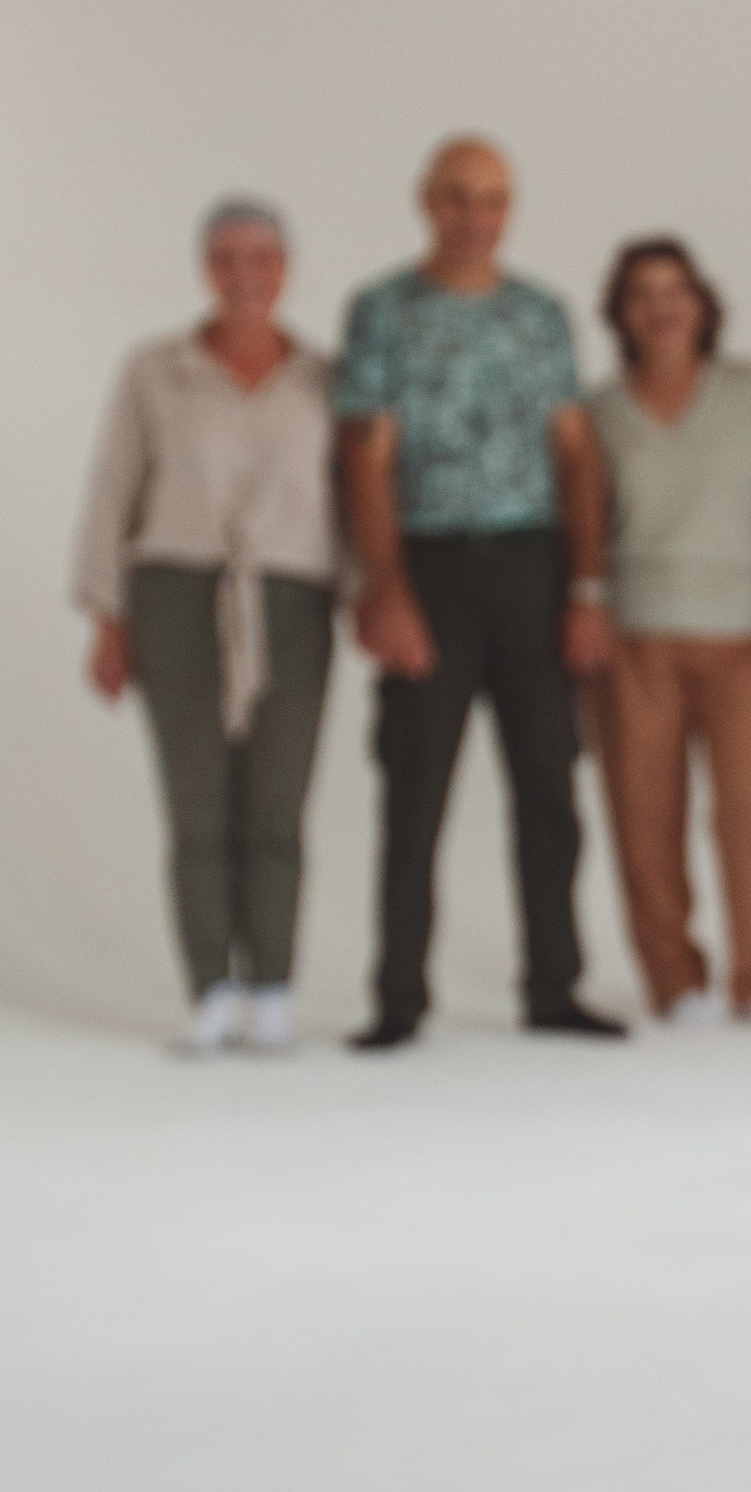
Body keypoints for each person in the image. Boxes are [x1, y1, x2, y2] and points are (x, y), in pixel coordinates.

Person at [335, 134, 623, 1049]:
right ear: (426, 200)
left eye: (492, 198)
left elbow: (575, 453)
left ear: (510, 209)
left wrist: (585, 586)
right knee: (414, 787)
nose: (474, 215)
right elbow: (365, 456)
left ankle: (553, 985)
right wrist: (385, 587)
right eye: (457, 196)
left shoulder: (540, 315)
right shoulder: (384, 310)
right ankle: (398, 997)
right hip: (429, 562)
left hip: (531, 565)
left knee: (548, 783)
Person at [72, 198, 339, 1054]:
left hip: (292, 599)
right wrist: (108, 617)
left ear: (286, 269)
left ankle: (273, 988)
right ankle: (211, 990)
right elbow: (113, 489)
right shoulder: (157, 371)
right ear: (205, 269)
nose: (244, 274)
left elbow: (352, 501)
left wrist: (375, 595)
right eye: (226, 257)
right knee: (196, 802)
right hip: (176, 592)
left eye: (261, 256)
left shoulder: (323, 378)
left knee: (277, 802)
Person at [587, 238, 751, 1028]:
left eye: (677, 290)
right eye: (642, 293)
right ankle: (675, 979)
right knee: (644, 816)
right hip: (636, 636)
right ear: (620, 314)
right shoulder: (601, 412)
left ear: (704, 306)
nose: (662, 307)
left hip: (747, 637)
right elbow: (582, 529)